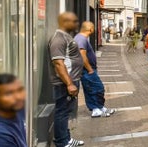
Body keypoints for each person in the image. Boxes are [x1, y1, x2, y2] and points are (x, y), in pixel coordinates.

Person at [49, 12, 85, 147]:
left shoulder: (66, 37)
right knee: (62, 112)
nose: (77, 24)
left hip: (70, 81)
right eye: (74, 21)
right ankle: (62, 142)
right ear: (64, 22)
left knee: (66, 112)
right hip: (64, 83)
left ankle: (66, 138)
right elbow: (58, 63)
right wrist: (69, 84)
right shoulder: (58, 39)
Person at [74, 21, 116, 118]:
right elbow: (82, 54)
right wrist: (90, 69)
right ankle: (96, 109)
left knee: (90, 89)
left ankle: (98, 108)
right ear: (90, 29)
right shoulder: (81, 39)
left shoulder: (81, 38)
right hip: (87, 70)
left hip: (87, 70)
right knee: (98, 88)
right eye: (93, 28)